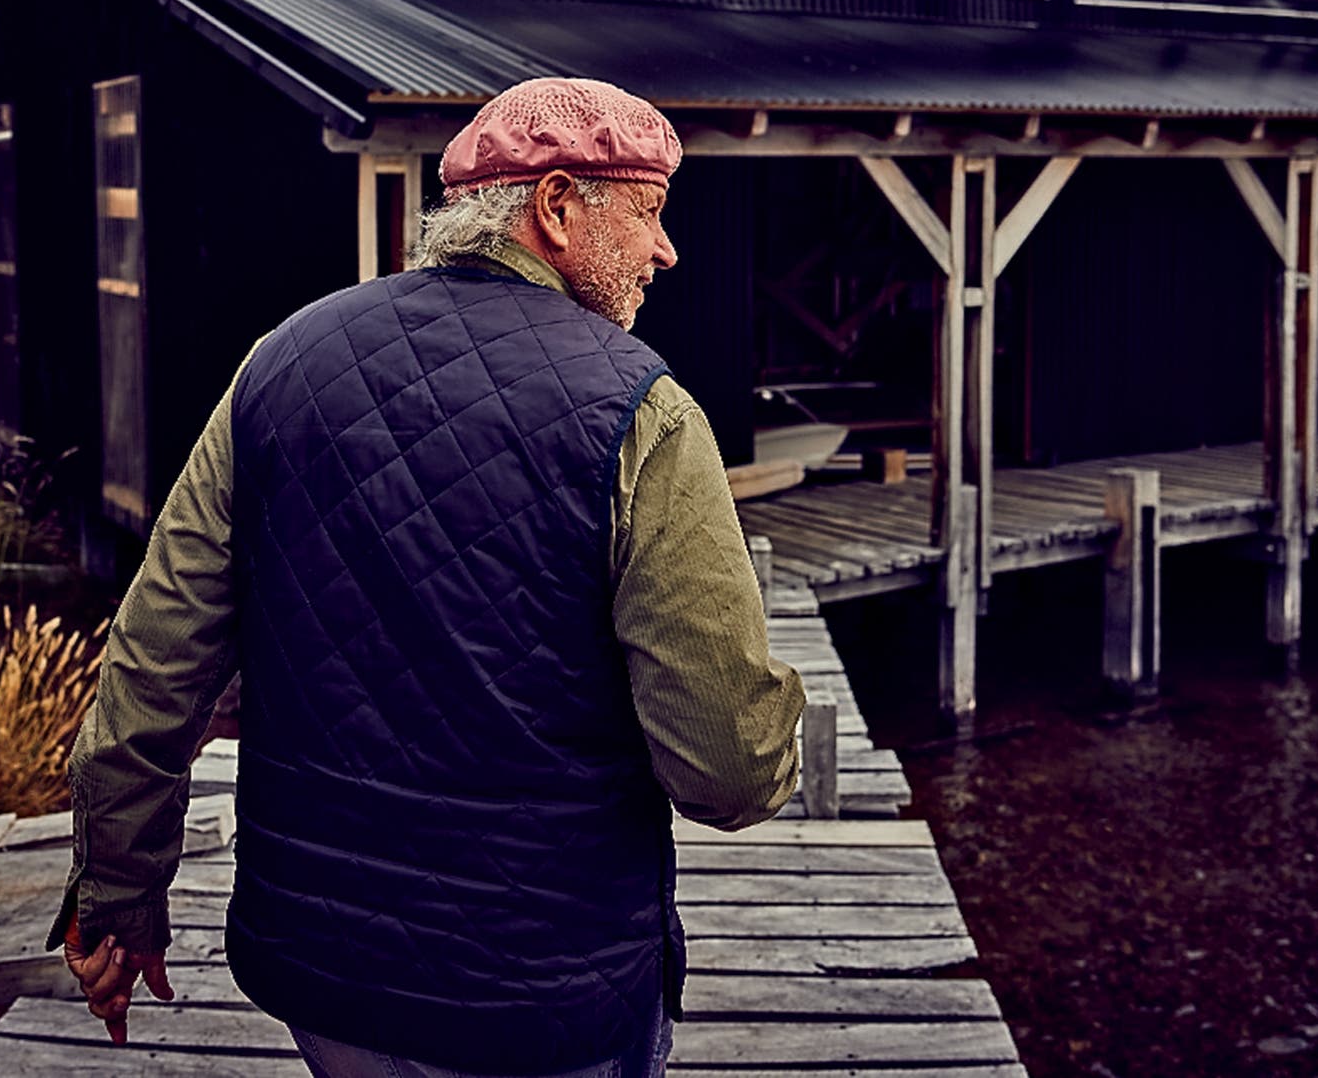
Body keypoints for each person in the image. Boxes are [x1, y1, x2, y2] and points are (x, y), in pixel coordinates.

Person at [51, 76, 807, 1077]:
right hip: (542, 993)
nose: (667, 250)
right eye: (651, 213)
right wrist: (779, 719)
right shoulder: (645, 412)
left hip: (321, 975)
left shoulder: (280, 362)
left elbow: (152, 667)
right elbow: (728, 771)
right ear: (557, 205)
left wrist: (118, 897)